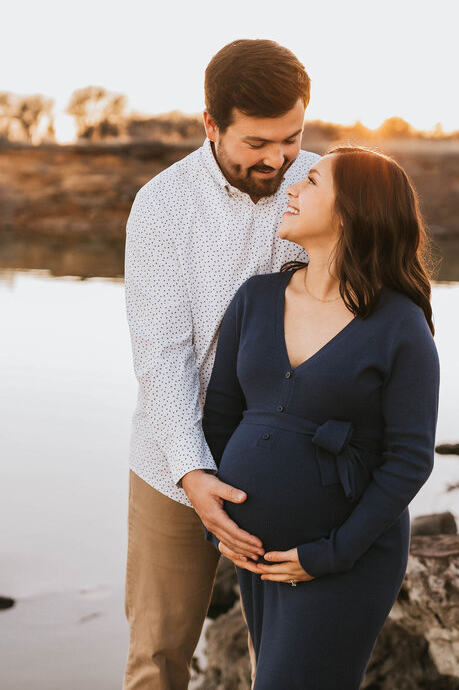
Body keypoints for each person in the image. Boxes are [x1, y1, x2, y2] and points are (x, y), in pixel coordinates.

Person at [202, 146, 441, 689]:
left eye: (310, 181)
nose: (291, 188)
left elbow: (409, 460)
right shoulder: (256, 298)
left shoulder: (399, 325)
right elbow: (220, 415)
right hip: (258, 557)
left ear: (351, 210)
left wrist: (331, 553)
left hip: (340, 560)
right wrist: (220, 520)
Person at [122, 39, 321, 690]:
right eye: (256, 142)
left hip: (292, 463)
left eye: (290, 137)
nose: (278, 158)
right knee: (157, 655)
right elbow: (161, 354)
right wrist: (192, 471)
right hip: (173, 465)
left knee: (289, 663)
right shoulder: (161, 204)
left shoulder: (326, 186)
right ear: (212, 125)